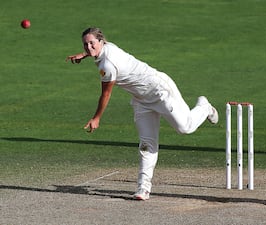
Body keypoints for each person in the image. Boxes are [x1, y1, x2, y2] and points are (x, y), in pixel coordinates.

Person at [66, 27, 219, 200]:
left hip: (160, 91)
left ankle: (204, 107)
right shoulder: (107, 48)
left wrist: (97, 118)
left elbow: (106, 94)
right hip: (141, 100)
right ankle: (143, 188)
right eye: (85, 45)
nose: (88, 47)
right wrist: (83, 55)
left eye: (92, 43)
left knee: (185, 128)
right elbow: (96, 52)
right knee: (146, 144)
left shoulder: (107, 65)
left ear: (101, 41)